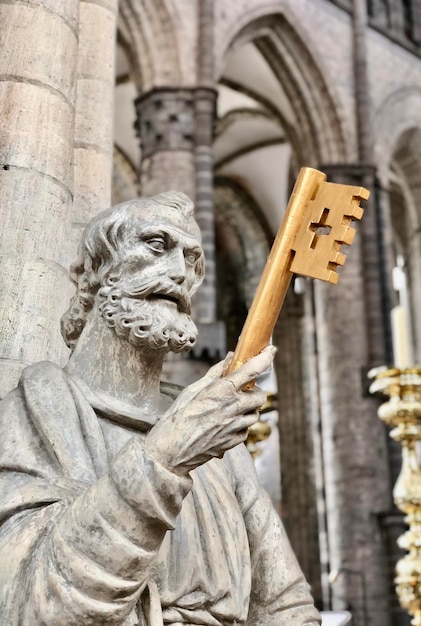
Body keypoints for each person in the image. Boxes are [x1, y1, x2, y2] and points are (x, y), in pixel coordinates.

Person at [0, 192, 321, 626]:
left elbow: (285, 603)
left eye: (193, 260)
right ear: (91, 272)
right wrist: (166, 456)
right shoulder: (30, 414)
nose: (178, 273)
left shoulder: (216, 441)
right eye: (156, 245)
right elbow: (34, 602)